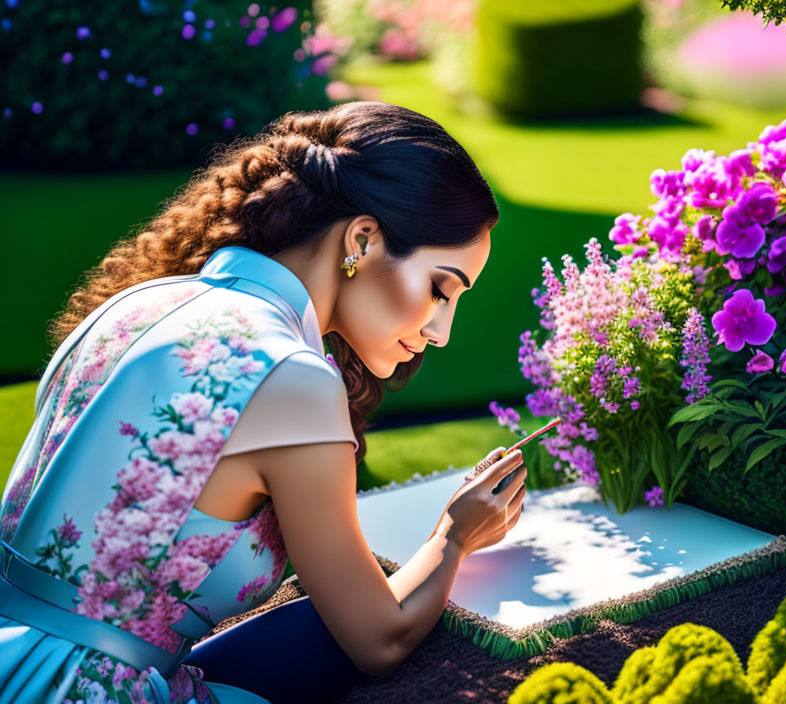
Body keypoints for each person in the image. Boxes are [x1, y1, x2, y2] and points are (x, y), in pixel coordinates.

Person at [0, 100, 528, 704]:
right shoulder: (292, 374)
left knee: (305, 628)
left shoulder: (135, 307)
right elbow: (380, 640)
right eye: (440, 288)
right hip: (91, 693)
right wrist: (455, 535)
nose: (442, 331)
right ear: (362, 238)